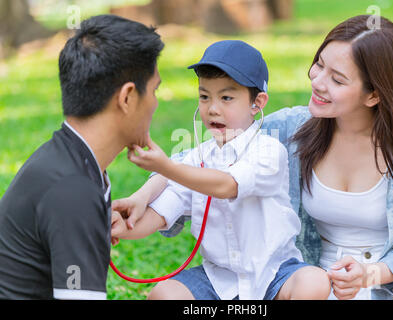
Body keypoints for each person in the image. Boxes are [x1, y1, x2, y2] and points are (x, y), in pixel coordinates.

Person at [113, 15, 393, 300]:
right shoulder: (290, 129)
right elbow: (195, 159)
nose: (317, 82)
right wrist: (143, 196)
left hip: (385, 286)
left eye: (337, 78)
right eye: (319, 64)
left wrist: (369, 274)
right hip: (315, 284)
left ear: (374, 94)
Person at [111, 40, 331, 300]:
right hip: (217, 279)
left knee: (312, 282)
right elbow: (158, 215)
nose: (212, 108)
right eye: (204, 96)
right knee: (164, 294)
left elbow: (228, 185)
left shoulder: (269, 152)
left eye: (226, 97)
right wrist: (116, 228)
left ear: (257, 103)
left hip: (275, 274)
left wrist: (167, 167)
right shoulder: (196, 158)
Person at [0, 15, 164, 299]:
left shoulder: (68, 160)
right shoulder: (73, 188)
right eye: (153, 90)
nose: (156, 102)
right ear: (127, 98)